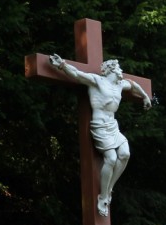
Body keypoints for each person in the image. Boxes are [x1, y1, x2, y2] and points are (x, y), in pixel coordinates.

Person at [49, 55, 152, 216]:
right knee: (111, 158)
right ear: (111, 70)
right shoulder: (97, 81)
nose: (121, 70)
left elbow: (133, 85)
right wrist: (62, 64)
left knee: (125, 154)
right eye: (118, 68)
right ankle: (103, 196)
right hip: (100, 125)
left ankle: (109, 188)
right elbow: (76, 74)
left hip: (113, 126)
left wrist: (145, 96)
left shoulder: (120, 85)